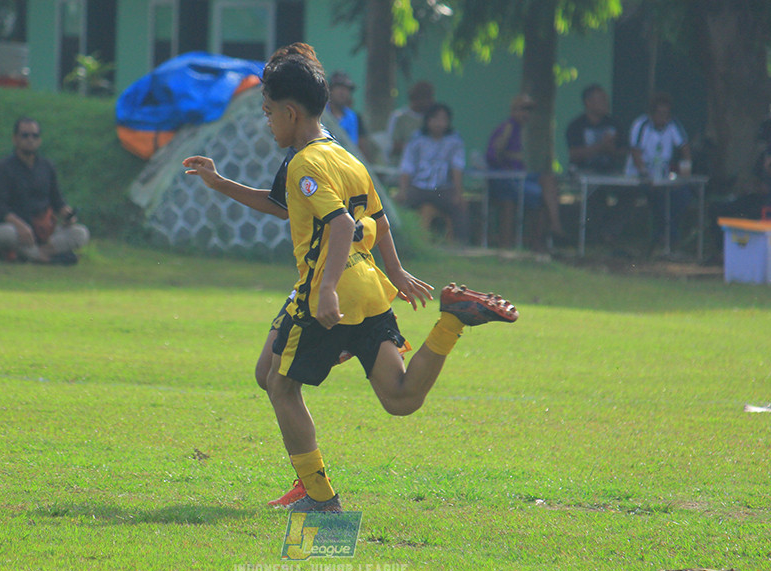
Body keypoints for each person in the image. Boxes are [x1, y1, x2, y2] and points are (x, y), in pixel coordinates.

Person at [184, 48, 519, 513]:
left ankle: (318, 495)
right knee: (397, 398)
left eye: (267, 113)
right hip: (367, 286)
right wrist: (396, 272)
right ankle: (451, 321)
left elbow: (341, 225)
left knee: (280, 386)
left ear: (290, 111)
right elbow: (360, 216)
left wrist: (323, 291)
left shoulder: (305, 165)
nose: (267, 123)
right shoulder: (344, 157)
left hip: (331, 291)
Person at [0, 117, 89, 264]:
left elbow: (57, 201)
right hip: (14, 229)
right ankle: (46, 257)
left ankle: (33, 254)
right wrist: (21, 226)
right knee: (6, 235)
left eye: (35, 136)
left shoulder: (47, 167)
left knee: (80, 233)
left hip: (41, 232)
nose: (30, 140)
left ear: (39, 140)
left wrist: (67, 215)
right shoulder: (1, 169)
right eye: (25, 135)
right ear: (15, 139)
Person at [625, 92, 694, 249]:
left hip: (662, 178)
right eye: (660, 113)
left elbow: (684, 148)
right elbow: (635, 152)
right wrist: (644, 173)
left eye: (666, 113)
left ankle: (664, 236)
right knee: (659, 198)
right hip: (640, 177)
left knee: (683, 195)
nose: (663, 117)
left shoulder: (673, 125)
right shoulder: (641, 125)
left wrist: (685, 171)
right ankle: (669, 238)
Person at [565, 83, 632, 241]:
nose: (606, 103)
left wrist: (612, 151)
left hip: (610, 173)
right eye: (601, 99)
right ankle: (596, 235)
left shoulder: (614, 124)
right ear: (588, 103)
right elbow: (574, 154)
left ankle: (609, 231)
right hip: (585, 172)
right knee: (594, 194)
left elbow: (624, 150)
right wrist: (599, 148)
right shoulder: (576, 126)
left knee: (631, 192)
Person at [395, 102, 469, 244]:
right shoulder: (416, 139)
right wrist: (403, 190)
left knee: (460, 206)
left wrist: (458, 192)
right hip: (419, 187)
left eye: (443, 119)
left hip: (443, 188)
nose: (439, 123)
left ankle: (461, 245)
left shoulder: (454, 140)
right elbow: (407, 165)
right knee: (399, 206)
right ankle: (399, 243)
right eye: (435, 119)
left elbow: (457, 167)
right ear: (428, 120)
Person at [485, 93, 544, 250]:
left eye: (529, 111)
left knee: (547, 181)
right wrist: (509, 156)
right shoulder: (508, 127)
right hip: (505, 179)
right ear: (514, 110)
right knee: (539, 194)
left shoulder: (522, 130)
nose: (526, 114)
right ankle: (535, 242)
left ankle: (540, 239)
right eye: (523, 109)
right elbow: (493, 155)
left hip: (519, 177)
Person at [326, 70, 379, 163]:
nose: (342, 92)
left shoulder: (355, 118)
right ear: (330, 90)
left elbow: (362, 148)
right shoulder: (321, 114)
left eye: (346, 89)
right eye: (339, 88)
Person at [386, 80, 435, 166]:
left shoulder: (432, 117)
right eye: (426, 97)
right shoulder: (399, 117)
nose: (430, 101)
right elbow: (393, 145)